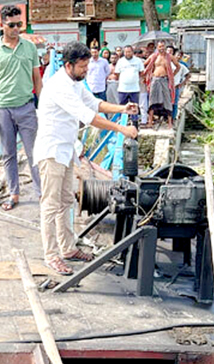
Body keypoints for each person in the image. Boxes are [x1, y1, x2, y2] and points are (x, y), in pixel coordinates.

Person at [34, 41, 138, 275]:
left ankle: (68, 248)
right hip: (51, 152)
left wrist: (123, 109)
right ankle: (51, 255)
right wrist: (122, 130)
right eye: (82, 67)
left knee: (66, 201)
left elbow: (94, 103)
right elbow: (89, 117)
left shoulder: (75, 82)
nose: (86, 71)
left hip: (66, 150)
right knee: (50, 205)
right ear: (69, 65)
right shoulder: (59, 85)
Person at [0, 5, 43, 211]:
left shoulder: (30, 48)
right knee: (8, 153)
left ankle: (41, 194)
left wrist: (41, 107)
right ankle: (13, 193)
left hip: (27, 107)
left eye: (19, 24)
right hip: (3, 108)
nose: (16, 28)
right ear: (2, 25)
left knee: (34, 153)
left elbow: (37, 78)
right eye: (12, 25)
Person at [143, 41, 179, 128]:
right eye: (160, 46)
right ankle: (150, 121)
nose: (161, 48)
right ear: (157, 47)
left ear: (165, 47)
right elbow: (145, 64)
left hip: (165, 79)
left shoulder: (169, 56)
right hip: (155, 79)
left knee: (167, 99)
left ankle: (170, 122)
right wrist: (148, 74)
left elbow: (178, 66)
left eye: (163, 46)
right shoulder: (154, 56)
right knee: (152, 99)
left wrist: (172, 75)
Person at [114, 45, 144, 124]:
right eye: (126, 52)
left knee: (134, 107)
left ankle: (135, 125)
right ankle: (122, 124)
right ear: (124, 52)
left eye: (129, 52)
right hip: (123, 89)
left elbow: (141, 72)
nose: (127, 53)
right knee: (122, 107)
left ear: (132, 52)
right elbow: (116, 73)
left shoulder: (138, 61)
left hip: (134, 88)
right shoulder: (120, 61)